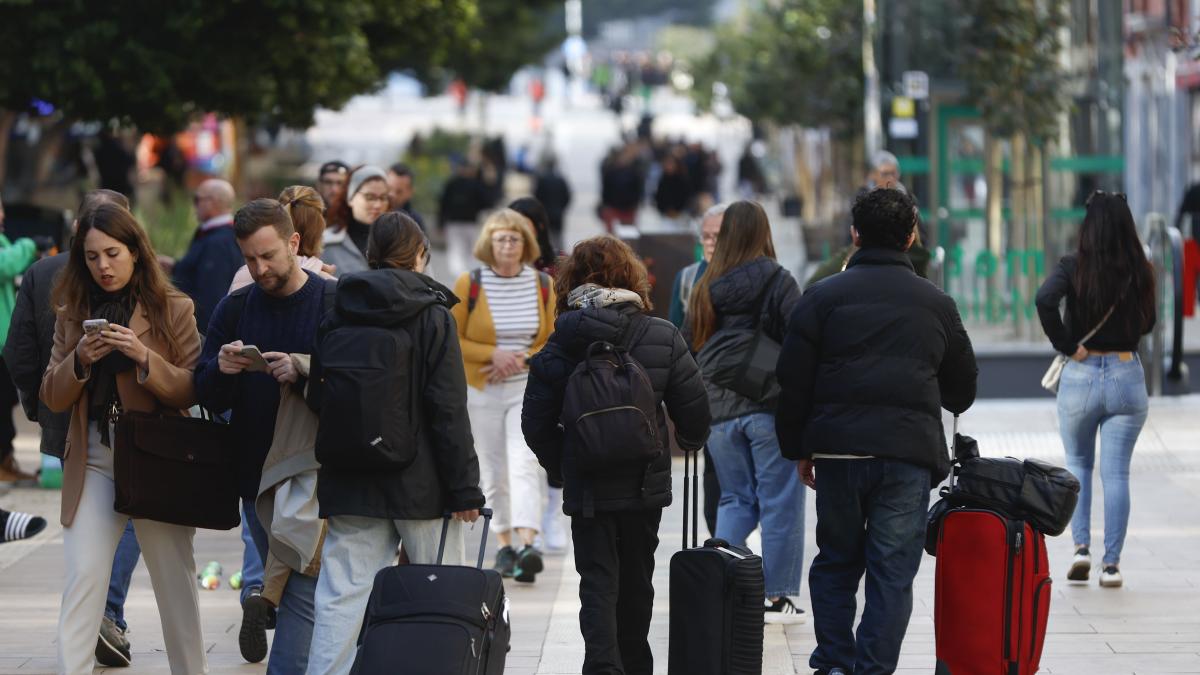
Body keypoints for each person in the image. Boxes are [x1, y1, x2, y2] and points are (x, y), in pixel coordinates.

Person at [776, 187, 977, 675]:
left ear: (855, 235)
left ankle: (833, 663)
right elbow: (962, 390)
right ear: (911, 237)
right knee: (892, 571)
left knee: (836, 560)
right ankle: (873, 668)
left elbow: (792, 380)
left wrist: (798, 447)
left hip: (839, 455)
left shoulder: (821, 297)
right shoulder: (936, 304)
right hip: (907, 457)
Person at [306, 212, 485, 675]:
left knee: (341, 597)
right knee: (440, 597)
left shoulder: (336, 310)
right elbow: (448, 409)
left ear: (371, 255)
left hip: (350, 480)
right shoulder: (432, 315)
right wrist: (465, 489)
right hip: (422, 486)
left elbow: (319, 396)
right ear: (420, 255)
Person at [522, 235, 710, 675]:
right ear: (631, 277)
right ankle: (637, 664)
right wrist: (691, 437)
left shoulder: (560, 343)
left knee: (597, 582)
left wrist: (563, 465)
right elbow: (695, 409)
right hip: (644, 483)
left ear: (570, 282)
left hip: (588, 486)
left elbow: (535, 424)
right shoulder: (661, 335)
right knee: (637, 581)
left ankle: (602, 665)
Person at [40, 202, 207, 675]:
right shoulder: (72, 313)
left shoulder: (174, 307)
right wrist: (79, 359)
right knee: (83, 578)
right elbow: (51, 395)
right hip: (93, 458)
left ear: (135, 251)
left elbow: (193, 387)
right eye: (91, 256)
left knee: (175, 584)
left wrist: (143, 357)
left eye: (112, 253)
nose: (103, 266)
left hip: (156, 456)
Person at [3, 189, 141, 666]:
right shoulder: (130, 279)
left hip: (66, 422)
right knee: (127, 519)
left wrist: (39, 409)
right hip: (128, 427)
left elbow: (18, 353)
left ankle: (95, 612)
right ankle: (107, 610)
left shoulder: (43, 272)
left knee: (84, 525)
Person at [195, 199, 333, 673]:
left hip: (319, 471)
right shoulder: (235, 307)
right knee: (300, 584)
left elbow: (360, 385)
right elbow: (204, 392)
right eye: (249, 259)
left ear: (294, 242)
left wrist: (304, 370)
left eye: (268, 255)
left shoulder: (333, 302)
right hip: (257, 478)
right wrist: (221, 369)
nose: (259, 269)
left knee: (303, 587)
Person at [685, 200, 806, 623]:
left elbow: (689, 343)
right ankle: (776, 596)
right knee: (779, 501)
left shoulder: (705, 283)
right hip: (766, 404)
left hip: (717, 409)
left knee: (735, 498)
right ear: (761, 233)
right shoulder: (778, 279)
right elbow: (799, 340)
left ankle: (720, 586)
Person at [1035, 190, 1155, 589]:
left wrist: (1068, 345)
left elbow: (1044, 299)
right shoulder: (1140, 268)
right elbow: (1149, 323)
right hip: (1125, 374)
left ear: (1088, 226)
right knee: (1116, 473)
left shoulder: (1073, 266)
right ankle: (1112, 566)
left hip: (1081, 374)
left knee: (1079, 464)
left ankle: (1081, 549)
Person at [450, 209, 555, 582]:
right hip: (483, 388)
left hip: (525, 387)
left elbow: (552, 339)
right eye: (500, 239)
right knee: (492, 468)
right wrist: (492, 354)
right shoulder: (470, 283)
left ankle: (529, 544)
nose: (508, 245)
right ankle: (505, 543)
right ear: (488, 244)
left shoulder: (542, 284)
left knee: (524, 463)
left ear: (526, 244)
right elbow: (454, 337)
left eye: (514, 239)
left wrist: (521, 358)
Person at [667, 202, 725, 538]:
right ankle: (720, 540)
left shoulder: (751, 273)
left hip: (745, 390)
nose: (711, 241)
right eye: (706, 235)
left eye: (718, 235)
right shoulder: (688, 278)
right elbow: (675, 337)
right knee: (714, 473)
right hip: (706, 389)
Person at [0, 196, 40, 487]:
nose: (2, 215)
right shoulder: (10, 248)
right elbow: (6, 264)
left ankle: (6, 460)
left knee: (6, 401)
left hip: (4, 342)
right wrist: (29, 245)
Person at [171, 178, 243, 330]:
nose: (194, 205)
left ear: (212, 202)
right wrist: (175, 267)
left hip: (199, 330)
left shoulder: (218, 242)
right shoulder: (218, 234)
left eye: (197, 199)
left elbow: (211, 295)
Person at [230, 185, 333, 290]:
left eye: (268, 256)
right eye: (250, 259)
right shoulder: (330, 289)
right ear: (319, 228)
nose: (261, 270)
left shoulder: (242, 276)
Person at [324, 166, 388, 278]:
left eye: (383, 198)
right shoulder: (327, 243)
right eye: (369, 197)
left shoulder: (401, 244)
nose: (378, 205)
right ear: (350, 198)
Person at [508, 197, 559, 274]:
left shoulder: (559, 264)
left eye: (523, 225)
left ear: (540, 226)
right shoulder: (497, 262)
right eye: (510, 225)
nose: (516, 230)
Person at [533, 156, 572, 246]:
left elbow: (537, 196)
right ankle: (559, 253)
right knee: (558, 237)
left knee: (545, 236)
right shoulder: (561, 179)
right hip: (558, 213)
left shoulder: (542, 179)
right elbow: (567, 196)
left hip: (545, 212)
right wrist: (562, 208)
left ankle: (547, 252)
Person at [386, 162, 426, 231]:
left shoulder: (415, 222)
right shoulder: (374, 212)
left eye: (399, 192)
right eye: (389, 188)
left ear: (410, 193)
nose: (392, 194)